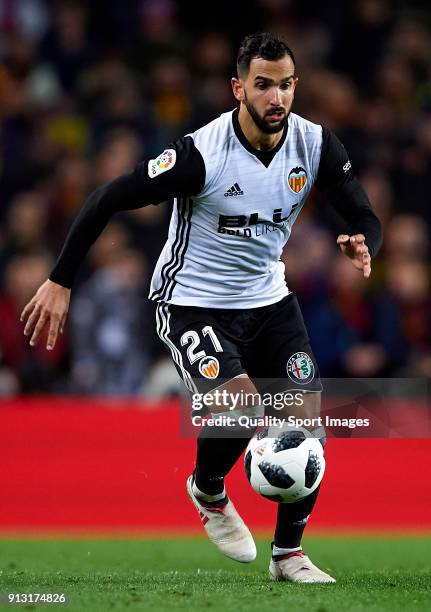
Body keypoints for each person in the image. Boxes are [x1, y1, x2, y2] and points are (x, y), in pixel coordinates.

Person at [20, 32, 382, 583]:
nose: (275, 98)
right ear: (239, 88)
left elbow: (365, 214)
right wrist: (60, 280)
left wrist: (363, 243)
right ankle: (208, 489)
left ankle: (288, 554)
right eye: (262, 85)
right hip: (193, 304)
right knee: (243, 406)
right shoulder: (201, 156)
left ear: (295, 86)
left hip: (270, 301)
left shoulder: (314, 145)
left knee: (306, 418)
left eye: (285, 85)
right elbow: (108, 197)